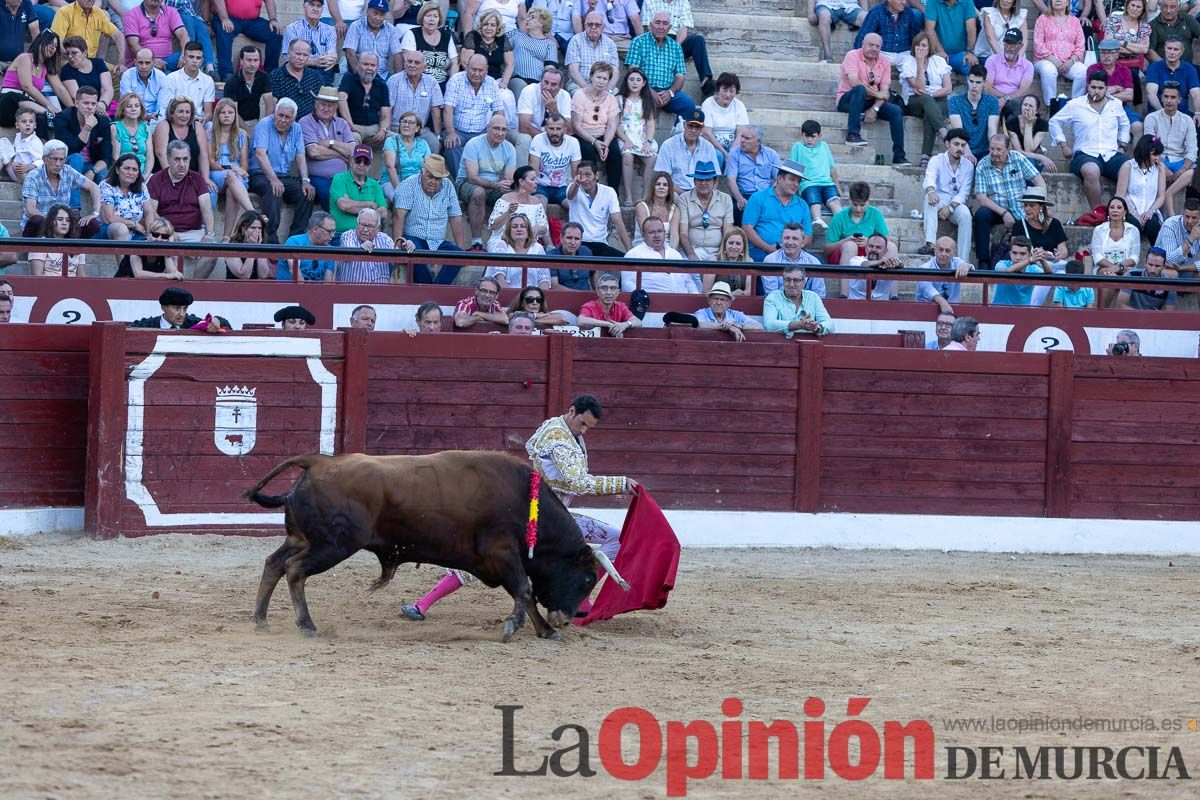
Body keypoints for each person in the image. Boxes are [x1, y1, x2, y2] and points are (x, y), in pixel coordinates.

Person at [400, 394, 639, 621]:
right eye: (582, 424)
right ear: (572, 411)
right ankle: (422, 604)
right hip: (535, 519)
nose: (584, 430)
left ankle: (579, 597)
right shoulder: (557, 437)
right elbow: (577, 481)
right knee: (485, 558)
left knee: (616, 540)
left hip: (558, 522)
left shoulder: (569, 432)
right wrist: (620, 483)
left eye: (589, 427)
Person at [1050, 71, 1130, 211]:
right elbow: (1054, 122)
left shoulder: (1116, 104)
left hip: (1111, 153)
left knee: (1129, 167)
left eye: (1100, 88)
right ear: (1088, 86)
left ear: (1106, 88)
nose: (1096, 91)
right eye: (1093, 87)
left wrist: (1122, 146)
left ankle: (1119, 206)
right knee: (1091, 171)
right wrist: (1063, 145)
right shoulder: (1075, 104)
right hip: (1084, 153)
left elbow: (1125, 124)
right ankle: (1097, 213)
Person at [145, 139, 216, 278]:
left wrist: (210, 233)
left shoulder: (197, 179)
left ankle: (194, 289)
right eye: (177, 159)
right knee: (172, 248)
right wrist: (168, 230)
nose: (182, 164)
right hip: (166, 233)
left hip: (194, 231)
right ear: (168, 159)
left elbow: (206, 208)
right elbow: (151, 213)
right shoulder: (156, 179)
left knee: (213, 252)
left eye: (185, 159)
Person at [392, 153, 468, 283]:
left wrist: (461, 251)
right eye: (430, 177)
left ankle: (437, 289)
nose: (433, 182)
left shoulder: (448, 186)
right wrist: (398, 246)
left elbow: (456, 217)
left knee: (457, 257)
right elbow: (399, 216)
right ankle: (429, 291)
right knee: (415, 254)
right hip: (414, 238)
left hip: (438, 241)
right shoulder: (408, 184)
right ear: (422, 173)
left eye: (438, 178)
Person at [249, 97, 316, 243]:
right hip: (260, 173)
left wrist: (305, 180)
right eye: (280, 115)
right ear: (275, 113)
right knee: (274, 190)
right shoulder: (264, 124)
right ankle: (270, 239)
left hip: (283, 175)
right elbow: (260, 154)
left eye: (287, 117)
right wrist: (273, 179)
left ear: (293, 119)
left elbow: (300, 156)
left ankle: (294, 239)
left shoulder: (297, 128)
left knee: (306, 193)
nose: (283, 120)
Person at [972, 133, 1044, 268]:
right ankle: (983, 261)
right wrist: (1004, 213)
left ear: (1008, 149)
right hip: (997, 209)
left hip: (1021, 207)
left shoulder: (1018, 158)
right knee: (981, 215)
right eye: (992, 149)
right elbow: (981, 197)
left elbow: (1038, 180)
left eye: (999, 150)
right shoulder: (983, 165)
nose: (994, 153)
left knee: (1038, 220)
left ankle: (1033, 261)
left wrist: (1038, 204)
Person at [837, 33, 906, 164]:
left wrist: (874, 109)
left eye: (877, 46)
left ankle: (899, 156)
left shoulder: (884, 61)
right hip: (848, 100)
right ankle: (852, 134)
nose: (874, 48)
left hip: (869, 102)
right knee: (860, 89)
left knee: (896, 111)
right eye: (871, 45)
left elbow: (884, 92)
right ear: (863, 44)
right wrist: (877, 94)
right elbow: (854, 82)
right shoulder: (852, 55)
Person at [441, 53, 507, 178]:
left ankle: (486, 182)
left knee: (495, 144)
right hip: (457, 130)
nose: (477, 74)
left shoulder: (491, 83)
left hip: (480, 132)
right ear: (466, 67)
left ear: (486, 70)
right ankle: (462, 181)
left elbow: (499, 111)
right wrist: (450, 132)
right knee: (452, 145)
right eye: (473, 69)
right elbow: (448, 109)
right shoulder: (456, 80)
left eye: (481, 70)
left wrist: (496, 131)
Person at [456, 111, 516, 248]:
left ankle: (506, 241)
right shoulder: (474, 144)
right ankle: (476, 241)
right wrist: (496, 185)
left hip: (492, 185)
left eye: (503, 130)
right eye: (496, 128)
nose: (500, 133)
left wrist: (508, 185)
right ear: (488, 128)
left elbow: (509, 176)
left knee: (511, 196)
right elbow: (472, 177)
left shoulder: (509, 148)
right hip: (466, 183)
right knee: (479, 193)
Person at [21, 138, 103, 237]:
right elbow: (31, 210)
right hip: (43, 225)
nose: (58, 164)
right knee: (36, 220)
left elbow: (94, 187)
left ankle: (74, 250)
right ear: (44, 159)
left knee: (93, 224)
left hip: (64, 225)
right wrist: (54, 222)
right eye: (54, 159)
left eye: (62, 159)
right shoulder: (33, 176)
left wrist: (95, 213)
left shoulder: (67, 171)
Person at [624, 11, 694, 120]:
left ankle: (678, 134)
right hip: (642, 90)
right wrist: (649, 91)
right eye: (657, 23)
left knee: (688, 104)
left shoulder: (676, 47)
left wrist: (670, 93)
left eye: (665, 23)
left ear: (670, 27)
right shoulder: (638, 42)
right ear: (651, 25)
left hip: (667, 92)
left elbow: (680, 76)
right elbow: (633, 70)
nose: (661, 27)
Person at [0, 30, 68, 138]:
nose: (52, 48)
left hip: (28, 108)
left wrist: (73, 109)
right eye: (50, 43)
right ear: (40, 42)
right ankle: (45, 111)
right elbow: (26, 86)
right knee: (12, 96)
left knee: (40, 119)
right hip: (7, 105)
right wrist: (48, 105)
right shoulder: (25, 57)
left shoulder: (46, 67)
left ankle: (42, 148)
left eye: (55, 46)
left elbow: (60, 89)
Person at [920, 127, 973, 261]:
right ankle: (930, 244)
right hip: (938, 197)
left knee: (966, 214)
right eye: (956, 144)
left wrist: (950, 208)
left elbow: (964, 193)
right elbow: (929, 178)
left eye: (963, 145)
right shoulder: (936, 160)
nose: (959, 148)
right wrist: (931, 191)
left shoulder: (968, 166)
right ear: (947, 144)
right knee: (929, 198)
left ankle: (963, 259)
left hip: (956, 202)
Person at [207, 96, 256, 239]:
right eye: (223, 113)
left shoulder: (241, 135)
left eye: (230, 113)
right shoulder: (210, 133)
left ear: (235, 115)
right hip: (217, 171)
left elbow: (245, 164)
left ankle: (226, 237)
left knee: (232, 191)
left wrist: (239, 169)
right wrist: (230, 169)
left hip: (235, 176)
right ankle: (252, 212)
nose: (227, 116)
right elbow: (209, 161)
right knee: (231, 176)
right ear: (217, 115)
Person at [640, 0, 712, 96]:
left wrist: (674, 48)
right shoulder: (649, 1)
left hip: (677, 41)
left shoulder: (683, 2)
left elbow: (684, 28)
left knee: (698, 40)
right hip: (656, 40)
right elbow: (649, 27)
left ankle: (706, 81)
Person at [1144, 83, 1196, 215]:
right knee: (1156, 169)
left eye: (1173, 97)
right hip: (1158, 160)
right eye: (1166, 96)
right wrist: (1162, 165)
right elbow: (1151, 146)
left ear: (1179, 100)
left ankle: (1169, 194)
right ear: (1161, 98)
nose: (1169, 100)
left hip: (1179, 161)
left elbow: (1192, 149)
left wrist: (1183, 169)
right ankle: (1163, 216)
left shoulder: (1187, 120)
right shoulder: (1152, 118)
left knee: (1193, 173)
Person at [1012, 185, 1068, 305]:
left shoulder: (1055, 224)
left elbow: (1064, 250)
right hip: (1032, 265)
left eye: (1032, 205)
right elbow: (1014, 251)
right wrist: (1036, 255)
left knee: (1064, 276)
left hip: (1053, 265)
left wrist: (1058, 255)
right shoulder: (1019, 225)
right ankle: (1031, 310)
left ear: (1041, 207)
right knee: (1042, 277)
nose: (1027, 209)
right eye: (1025, 205)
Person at [743, 158, 808, 262]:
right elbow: (747, 228)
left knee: (818, 262)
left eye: (798, 181)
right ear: (780, 178)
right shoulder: (758, 198)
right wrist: (768, 248)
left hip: (793, 251)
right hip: (760, 250)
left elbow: (808, 236)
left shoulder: (802, 205)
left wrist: (792, 249)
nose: (796, 184)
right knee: (757, 260)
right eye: (792, 179)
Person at [903, 32, 953, 167]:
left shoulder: (939, 61)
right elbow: (920, 88)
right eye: (918, 45)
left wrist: (932, 95)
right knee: (926, 100)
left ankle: (925, 157)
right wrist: (920, 65)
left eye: (924, 45)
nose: (920, 48)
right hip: (916, 101)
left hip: (939, 99)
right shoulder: (908, 63)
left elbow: (948, 88)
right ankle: (945, 134)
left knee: (929, 113)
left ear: (930, 47)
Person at [301, 84, 355, 208]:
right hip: (318, 177)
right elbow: (313, 152)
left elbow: (353, 151)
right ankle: (334, 226)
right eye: (323, 104)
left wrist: (331, 143)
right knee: (332, 195)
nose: (326, 108)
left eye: (330, 105)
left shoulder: (342, 123)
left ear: (336, 107)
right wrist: (341, 153)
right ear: (316, 104)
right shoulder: (306, 122)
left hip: (342, 176)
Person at [571, 61, 621, 193]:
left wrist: (606, 143)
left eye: (605, 78)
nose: (601, 81)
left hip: (603, 135)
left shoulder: (611, 98)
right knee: (588, 151)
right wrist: (594, 142)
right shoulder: (579, 95)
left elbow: (612, 125)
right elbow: (576, 125)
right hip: (583, 134)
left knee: (615, 153)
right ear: (591, 77)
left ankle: (613, 193)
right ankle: (590, 190)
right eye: (598, 77)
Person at [566, 159, 630, 256]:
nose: (583, 179)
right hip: (579, 243)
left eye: (588, 175)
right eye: (580, 175)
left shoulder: (609, 192)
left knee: (625, 261)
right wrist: (576, 184)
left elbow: (618, 222)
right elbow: (570, 195)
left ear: (596, 176)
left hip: (600, 244)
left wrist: (630, 252)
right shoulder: (574, 188)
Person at [514, 64, 570, 173]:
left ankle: (564, 184)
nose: (548, 87)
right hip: (528, 131)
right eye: (546, 82)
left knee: (570, 141)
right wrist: (546, 140)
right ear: (541, 80)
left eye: (554, 84)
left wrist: (554, 110)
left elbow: (570, 130)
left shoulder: (565, 96)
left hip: (552, 133)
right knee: (525, 139)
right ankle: (521, 179)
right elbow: (524, 127)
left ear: (561, 86)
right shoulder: (529, 91)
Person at [386, 49, 443, 156]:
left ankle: (429, 172)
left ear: (424, 67)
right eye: (409, 61)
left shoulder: (432, 82)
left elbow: (436, 112)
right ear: (404, 63)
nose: (412, 65)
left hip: (420, 129)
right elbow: (388, 109)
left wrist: (438, 135)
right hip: (397, 128)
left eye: (417, 63)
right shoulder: (394, 80)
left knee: (434, 143)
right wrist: (387, 130)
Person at [336, 206, 413, 282]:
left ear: (377, 228)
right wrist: (361, 248)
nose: (365, 230)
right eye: (362, 225)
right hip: (351, 291)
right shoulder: (347, 235)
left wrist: (406, 247)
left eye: (370, 226)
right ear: (357, 224)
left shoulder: (384, 239)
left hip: (380, 291)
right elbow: (349, 252)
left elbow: (397, 257)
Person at [212, 0, 283, 82]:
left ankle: (270, 74)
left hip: (252, 21)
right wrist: (224, 18)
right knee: (224, 30)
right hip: (229, 18)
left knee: (276, 34)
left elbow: (269, 1)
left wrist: (273, 19)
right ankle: (226, 74)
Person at [788, 121, 839, 235]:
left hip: (827, 182)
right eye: (806, 136)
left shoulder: (824, 146)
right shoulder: (798, 146)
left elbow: (832, 168)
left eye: (813, 136)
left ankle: (841, 222)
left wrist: (838, 186)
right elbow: (793, 167)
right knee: (813, 198)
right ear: (802, 135)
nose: (809, 140)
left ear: (819, 136)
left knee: (834, 201)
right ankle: (817, 219)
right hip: (808, 183)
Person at [1116, 133, 1168, 246]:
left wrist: (1151, 211)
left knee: (1154, 226)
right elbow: (1120, 195)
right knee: (1133, 226)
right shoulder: (1128, 166)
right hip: (1130, 210)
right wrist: (1135, 214)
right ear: (1144, 152)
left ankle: (1159, 259)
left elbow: (1161, 196)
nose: (1157, 158)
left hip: (1150, 210)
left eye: (1159, 155)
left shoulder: (1160, 168)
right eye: (1155, 155)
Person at [1032, 0, 1085, 107]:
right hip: (1045, 60)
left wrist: (1071, 61)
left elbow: (1080, 45)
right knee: (1048, 70)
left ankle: (1075, 106)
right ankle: (1051, 106)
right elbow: (1038, 44)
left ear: (1068, 3)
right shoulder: (1042, 19)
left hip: (1068, 62)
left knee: (1083, 71)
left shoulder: (1075, 21)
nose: (1058, 0)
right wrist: (1054, 60)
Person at [54, 84, 110, 184]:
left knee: (104, 178)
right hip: (67, 163)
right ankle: (74, 200)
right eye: (86, 103)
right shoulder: (63, 118)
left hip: (91, 165)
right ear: (76, 103)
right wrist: (87, 128)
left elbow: (106, 156)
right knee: (77, 158)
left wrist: (93, 171)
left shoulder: (102, 122)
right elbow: (70, 150)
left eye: (93, 104)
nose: (90, 107)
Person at [1091, 195, 1141, 307]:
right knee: (1111, 276)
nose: (1115, 210)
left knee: (1127, 276)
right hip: (1103, 268)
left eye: (1119, 207)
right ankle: (1101, 312)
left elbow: (1134, 257)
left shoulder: (1133, 230)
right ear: (1108, 211)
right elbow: (1097, 257)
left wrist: (1120, 267)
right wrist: (1113, 268)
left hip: (1126, 268)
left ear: (1125, 212)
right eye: (1112, 207)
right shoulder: (1099, 230)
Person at [678, 160, 732, 261]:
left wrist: (722, 253)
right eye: (699, 180)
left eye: (707, 180)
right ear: (694, 181)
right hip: (693, 249)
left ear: (715, 182)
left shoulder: (725, 199)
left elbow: (727, 232)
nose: (703, 183)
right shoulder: (684, 198)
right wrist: (691, 254)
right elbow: (683, 233)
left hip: (717, 250)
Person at [726, 124, 779, 226]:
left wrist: (769, 196)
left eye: (747, 138)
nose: (742, 140)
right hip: (744, 195)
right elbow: (730, 180)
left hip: (765, 195)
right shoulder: (734, 153)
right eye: (742, 136)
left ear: (758, 142)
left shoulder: (771, 154)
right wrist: (739, 199)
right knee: (740, 211)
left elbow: (778, 180)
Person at [763, 262, 834, 338]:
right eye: (788, 280)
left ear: (804, 282)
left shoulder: (813, 297)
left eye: (796, 280)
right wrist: (799, 325)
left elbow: (830, 324)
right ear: (783, 281)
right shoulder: (773, 298)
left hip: (810, 344)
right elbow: (769, 325)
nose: (791, 284)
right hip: (780, 345)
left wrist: (816, 328)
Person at [486, 163, 548, 248]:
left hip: (527, 243)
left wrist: (534, 229)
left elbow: (544, 228)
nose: (536, 182)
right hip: (503, 242)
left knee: (538, 248)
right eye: (532, 179)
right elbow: (493, 226)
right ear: (521, 182)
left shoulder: (537, 203)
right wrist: (508, 212)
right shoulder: (505, 199)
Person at [1102, 0, 1150, 108]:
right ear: (1127, 6)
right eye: (1132, 5)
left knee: (1133, 75)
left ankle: (1138, 112)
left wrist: (1122, 43)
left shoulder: (1144, 27)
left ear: (1142, 10)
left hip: (1132, 64)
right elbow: (1108, 43)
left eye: (1138, 7)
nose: (1135, 8)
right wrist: (1134, 47)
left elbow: (1144, 49)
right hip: (1113, 60)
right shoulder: (1114, 19)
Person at [399, 2, 457, 89]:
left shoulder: (447, 36)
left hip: (442, 84)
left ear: (439, 20)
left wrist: (452, 85)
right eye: (428, 15)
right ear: (422, 18)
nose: (432, 19)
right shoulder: (412, 34)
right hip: (417, 84)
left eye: (435, 16)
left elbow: (454, 62)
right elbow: (409, 62)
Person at [337, 50, 391, 146]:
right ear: (357, 65)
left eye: (373, 65)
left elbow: (386, 115)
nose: (369, 68)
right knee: (353, 142)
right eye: (366, 64)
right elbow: (341, 100)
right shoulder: (348, 78)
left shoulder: (382, 85)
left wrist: (382, 130)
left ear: (377, 67)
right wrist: (350, 125)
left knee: (396, 140)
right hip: (353, 127)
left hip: (374, 128)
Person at [948, 64, 999, 161]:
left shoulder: (992, 101)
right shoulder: (954, 101)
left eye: (978, 82)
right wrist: (967, 152)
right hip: (962, 149)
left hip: (985, 151)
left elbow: (992, 129)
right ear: (967, 79)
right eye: (971, 81)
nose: (974, 86)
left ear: (985, 82)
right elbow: (958, 130)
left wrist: (993, 150)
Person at [51, 0, 125, 66]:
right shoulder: (64, 12)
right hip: (68, 61)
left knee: (119, 74)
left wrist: (121, 61)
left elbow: (118, 35)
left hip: (91, 62)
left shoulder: (99, 13)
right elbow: (56, 40)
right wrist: (74, 57)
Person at [485, 211, 549, 288]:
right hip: (507, 294)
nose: (519, 229)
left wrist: (537, 297)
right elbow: (499, 279)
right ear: (509, 231)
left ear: (528, 231)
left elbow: (544, 280)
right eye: (515, 226)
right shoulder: (501, 246)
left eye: (523, 226)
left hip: (533, 297)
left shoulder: (537, 248)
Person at [264, 39, 323, 120]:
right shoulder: (276, 76)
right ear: (289, 53)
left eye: (305, 55)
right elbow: (272, 107)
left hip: (311, 126)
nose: (301, 58)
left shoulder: (316, 76)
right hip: (285, 124)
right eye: (298, 54)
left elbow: (322, 103)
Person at [151, 95, 206, 181]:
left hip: (192, 177)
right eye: (181, 111)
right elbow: (161, 155)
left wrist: (205, 179)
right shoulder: (163, 125)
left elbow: (203, 155)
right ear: (172, 113)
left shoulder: (197, 126)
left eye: (188, 112)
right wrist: (175, 178)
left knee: (212, 193)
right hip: (167, 177)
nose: (184, 115)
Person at [983, 28, 1033, 123]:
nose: (1008, 47)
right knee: (989, 102)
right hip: (994, 97)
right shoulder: (992, 60)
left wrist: (1006, 99)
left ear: (1021, 45)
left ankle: (1012, 135)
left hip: (1014, 100)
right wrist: (1004, 98)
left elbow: (1023, 90)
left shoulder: (1028, 65)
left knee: (1018, 106)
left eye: (1012, 44)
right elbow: (987, 88)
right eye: (1007, 43)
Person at [529, 112, 578, 206]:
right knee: (539, 206)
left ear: (565, 129)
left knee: (574, 207)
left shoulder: (573, 143)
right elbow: (533, 170)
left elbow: (575, 173)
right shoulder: (538, 139)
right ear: (546, 129)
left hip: (562, 187)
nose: (554, 132)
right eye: (551, 129)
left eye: (558, 129)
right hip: (540, 186)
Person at [343, 0, 400, 80]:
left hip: (382, 75)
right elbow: (349, 52)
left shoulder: (391, 29)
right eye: (375, 13)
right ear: (367, 11)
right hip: (359, 74)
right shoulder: (356, 26)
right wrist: (358, 76)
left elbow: (397, 55)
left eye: (382, 15)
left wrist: (399, 78)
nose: (378, 18)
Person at [123, 0, 187, 71]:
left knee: (191, 56)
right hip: (143, 63)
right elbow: (132, 44)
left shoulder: (171, 11)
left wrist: (184, 54)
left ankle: (165, 71)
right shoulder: (132, 15)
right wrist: (152, 60)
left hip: (168, 61)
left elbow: (183, 34)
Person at [282, 0, 338, 81]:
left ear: (322, 9)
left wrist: (331, 59)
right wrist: (313, 61)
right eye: (312, 5)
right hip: (300, 67)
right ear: (304, 6)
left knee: (328, 70)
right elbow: (287, 57)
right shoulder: (292, 28)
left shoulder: (330, 30)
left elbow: (332, 53)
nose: (315, 9)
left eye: (319, 6)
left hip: (322, 68)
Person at [460, 10, 514, 93]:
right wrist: (478, 81)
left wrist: (504, 83)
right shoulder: (473, 36)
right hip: (473, 79)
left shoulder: (502, 38)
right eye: (485, 24)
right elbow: (465, 63)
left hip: (496, 81)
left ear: (497, 27)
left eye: (492, 25)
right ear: (481, 25)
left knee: (507, 96)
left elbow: (510, 64)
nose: (489, 28)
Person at [915, 235, 972, 314]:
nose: (943, 254)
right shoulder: (924, 268)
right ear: (935, 251)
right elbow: (928, 289)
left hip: (953, 310)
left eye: (948, 251)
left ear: (954, 253)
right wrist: (943, 303)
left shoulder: (958, 262)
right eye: (940, 250)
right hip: (925, 311)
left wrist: (966, 266)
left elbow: (970, 268)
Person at [1144, 36, 1200, 116]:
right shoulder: (1154, 67)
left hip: (1182, 114)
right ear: (1165, 49)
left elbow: (1196, 94)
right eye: (1169, 48)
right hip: (1157, 113)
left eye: (1176, 49)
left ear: (1182, 51)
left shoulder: (1189, 69)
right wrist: (1163, 113)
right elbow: (1151, 93)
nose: (1172, 52)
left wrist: (1198, 113)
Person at [992, 235, 1054, 305]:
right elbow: (1007, 271)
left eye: (1022, 254)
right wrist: (1029, 260)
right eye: (1014, 253)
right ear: (1010, 254)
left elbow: (1050, 274)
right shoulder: (1001, 264)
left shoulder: (1032, 269)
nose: (1018, 257)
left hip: (1023, 312)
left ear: (1030, 255)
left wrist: (1041, 258)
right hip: (999, 310)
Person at [159, 41, 215, 119]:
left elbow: (208, 113)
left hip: (198, 120)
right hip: (177, 119)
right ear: (183, 58)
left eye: (198, 58)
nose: (195, 61)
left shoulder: (208, 81)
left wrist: (203, 121)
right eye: (191, 57)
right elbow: (169, 108)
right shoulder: (171, 78)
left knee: (210, 127)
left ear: (202, 61)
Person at [510, 6, 557, 98]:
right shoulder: (517, 36)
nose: (527, 20)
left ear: (542, 23)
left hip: (538, 82)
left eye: (532, 17)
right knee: (522, 88)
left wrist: (546, 83)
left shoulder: (550, 44)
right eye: (528, 17)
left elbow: (549, 67)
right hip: (518, 77)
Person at [854, 0, 924, 62]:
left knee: (913, 70)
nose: (904, 2)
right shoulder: (876, 12)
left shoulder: (908, 12)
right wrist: (858, 58)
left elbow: (915, 36)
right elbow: (862, 37)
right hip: (883, 53)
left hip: (905, 53)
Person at [381, 110, 430, 198]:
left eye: (411, 123)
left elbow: (429, 167)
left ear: (417, 128)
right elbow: (390, 167)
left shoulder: (423, 143)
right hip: (392, 182)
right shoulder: (391, 141)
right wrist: (400, 191)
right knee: (401, 200)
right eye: (403, 121)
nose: (406, 125)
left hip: (416, 183)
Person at [565, 12, 618, 93]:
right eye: (590, 24)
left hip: (604, 86)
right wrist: (588, 90)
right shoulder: (576, 40)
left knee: (616, 97)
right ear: (585, 25)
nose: (593, 27)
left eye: (597, 24)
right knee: (578, 95)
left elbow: (615, 72)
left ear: (603, 26)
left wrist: (607, 91)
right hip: (579, 85)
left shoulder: (610, 43)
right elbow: (573, 70)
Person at [277, 209, 337, 280]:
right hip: (289, 290)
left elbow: (328, 282)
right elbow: (295, 274)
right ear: (315, 229)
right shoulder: (295, 242)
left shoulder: (329, 249)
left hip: (316, 291)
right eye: (330, 231)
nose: (333, 236)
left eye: (334, 232)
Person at [59, 35, 113, 114]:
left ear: (84, 53)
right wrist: (95, 107)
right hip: (82, 109)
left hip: (102, 105)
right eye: (67, 53)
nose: (70, 57)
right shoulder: (66, 70)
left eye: (74, 53)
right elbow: (77, 95)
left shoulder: (99, 63)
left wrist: (103, 103)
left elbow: (107, 88)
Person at [115, 216, 184, 278]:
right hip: (124, 285)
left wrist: (167, 253)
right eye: (155, 235)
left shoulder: (172, 251)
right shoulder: (137, 247)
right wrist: (166, 275)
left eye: (164, 236)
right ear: (148, 235)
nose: (159, 239)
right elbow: (139, 274)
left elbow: (173, 274)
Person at [694, 280, 762, 342]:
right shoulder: (702, 313)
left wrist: (738, 326)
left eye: (722, 299)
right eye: (715, 299)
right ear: (709, 301)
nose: (718, 302)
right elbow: (697, 324)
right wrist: (727, 327)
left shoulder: (736, 314)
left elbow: (759, 326)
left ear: (729, 303)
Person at [29, 203, 86, 275]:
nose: (64, 223)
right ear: (50, 222)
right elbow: (37, 277)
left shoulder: (78, 246)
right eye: (60, 219)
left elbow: (81, 277)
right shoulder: (40, 244)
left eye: (68, 220)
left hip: (72, 285)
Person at [98, 152, 144, 240]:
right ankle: (123, 254)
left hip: (135, 232)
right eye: (127, 168)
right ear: (117, 170)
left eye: (135, 169)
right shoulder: (106, 185)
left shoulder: (142, 187)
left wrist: (150, 231)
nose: (131, 172)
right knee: (121, 229)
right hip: (109, 230)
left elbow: (149, 212)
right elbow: (109, 218)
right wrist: (134, 224)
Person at [222, 45, 270, 132]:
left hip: (258, 121)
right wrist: (248, 130)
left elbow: (269, 104)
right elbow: (233, 111)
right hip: (236, 123)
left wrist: (265, 126)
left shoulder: (264, 77)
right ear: (241, 61)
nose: (252, 64)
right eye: (248, 60)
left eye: (256, 60)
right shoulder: (231, 83)